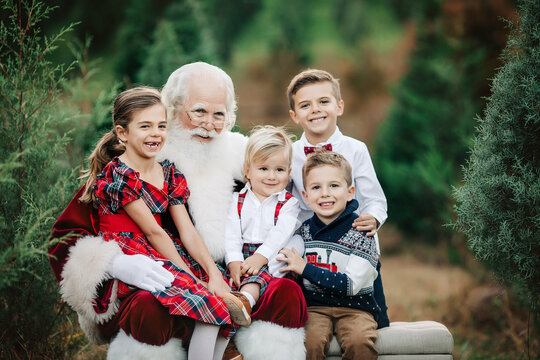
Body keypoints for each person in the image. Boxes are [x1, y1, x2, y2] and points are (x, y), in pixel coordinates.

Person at [49, 62, 307, 360]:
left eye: (219, 114)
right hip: (158, 280)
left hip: (233, 273)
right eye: (198, 111)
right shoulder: (136, 159)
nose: (209, 124)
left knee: (285, 293)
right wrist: (114, 264)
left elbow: (302, 196)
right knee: (149, 307)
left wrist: (285, 248)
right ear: (170, 109)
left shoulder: (243, 158)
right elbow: (66, 237)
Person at [80, 86, 248, 359]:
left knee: (220, 292)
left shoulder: (169, 172)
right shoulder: (120, 176)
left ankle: (217, 354)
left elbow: (187, 231)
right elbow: (154, 231)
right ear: (122, 133)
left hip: (164, 250)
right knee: (203, 299)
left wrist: (212, 273)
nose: (155, 133)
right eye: (145, 126)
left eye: (161, 125)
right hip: (136, 258)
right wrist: (192, 279)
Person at [287, 68, 390, 328]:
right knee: (312, 318)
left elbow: (375, 198)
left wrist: (373, 219)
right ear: (294, 115)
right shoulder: (289, 153)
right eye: (305, 105)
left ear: (339, 106)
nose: (315, 110)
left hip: (351, 243)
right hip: (310, 243)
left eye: (323, 101)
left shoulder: (356, 149)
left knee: (371, 313)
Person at [279, 149, 380, 360]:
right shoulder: (304, 231)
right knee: (308, 342)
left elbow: (351, 285)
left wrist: (305, 268)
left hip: (356, 309)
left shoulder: (361, 232)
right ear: (306, 196)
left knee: (359, 341)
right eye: (316, 187)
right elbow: (285, 255)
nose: (325, 193)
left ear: (350, 191)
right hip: (315, 308)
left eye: (334, 185)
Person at [223, 126, 302, 325]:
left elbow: (280, 234)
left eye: (279, 170)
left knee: (256, 277)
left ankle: (245, 302)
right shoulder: (236, 200)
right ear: (248, 170)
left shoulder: (288, 203)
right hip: (241, 254)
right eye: (264, 168)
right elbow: (231, 233)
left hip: (270, 256)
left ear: (289, 172)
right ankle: (227, 328)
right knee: (226, 280)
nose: (272, 176)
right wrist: (233, 261)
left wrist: (260, 257)